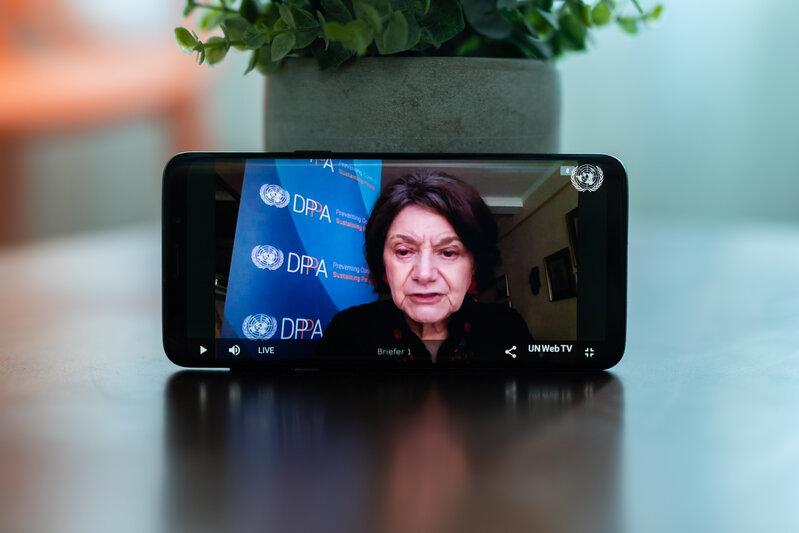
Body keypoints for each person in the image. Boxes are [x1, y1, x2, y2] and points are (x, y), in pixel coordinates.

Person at [316, 170, 532, 362]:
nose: (424, 274)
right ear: (383, 263)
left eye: (448, 252)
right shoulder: (348, 331)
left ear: (474, 264)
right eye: (403, 251)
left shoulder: (507, 329)